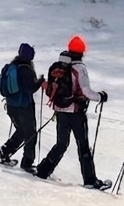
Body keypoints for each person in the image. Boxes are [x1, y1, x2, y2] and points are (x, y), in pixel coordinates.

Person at [34, 36, 110, 189]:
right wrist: (100, 97)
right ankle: (90, 180)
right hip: (76, 112)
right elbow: (86, 91)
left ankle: (43, 170)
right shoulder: (79, 68)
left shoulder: (59, 66)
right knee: (83, 146)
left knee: (61, 144)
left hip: (60, 110)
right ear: (82, 52)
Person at [0, 43, 45, 173]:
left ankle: (4, 152)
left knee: (22, 131)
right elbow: (30, 88)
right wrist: (40, 81)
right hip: (24, 106)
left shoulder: (12, 66)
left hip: (11, 105)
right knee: (30, 134)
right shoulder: (26, 69)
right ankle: (27, 163)